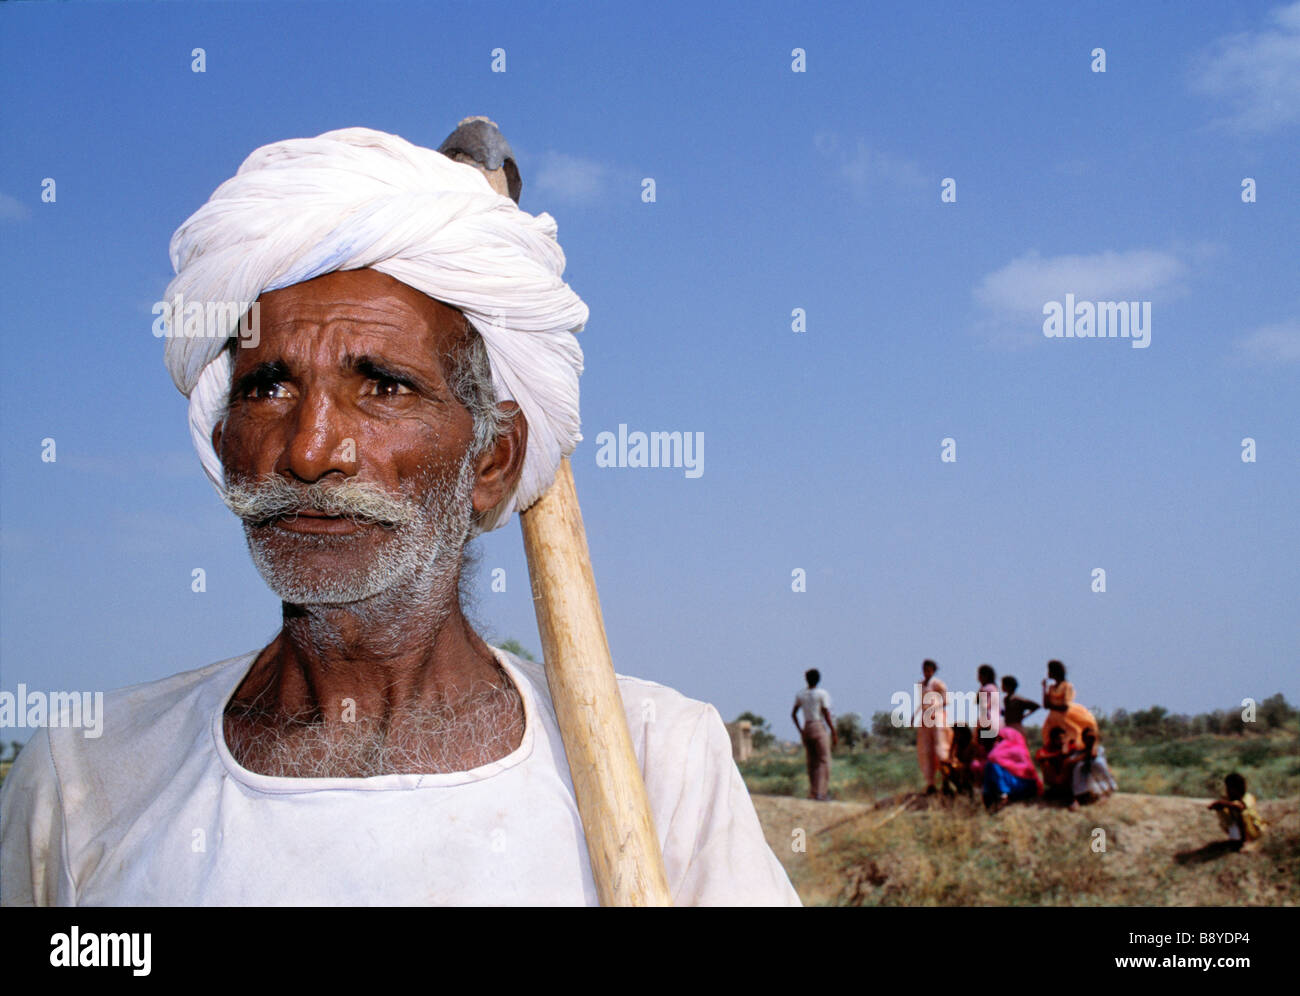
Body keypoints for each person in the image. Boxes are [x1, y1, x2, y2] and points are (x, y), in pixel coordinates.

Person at [0, 126, 800, 907]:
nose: (311, 451)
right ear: (222, 444)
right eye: (268, 387)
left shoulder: (663, 765)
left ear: (493, 463)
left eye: (384, 386)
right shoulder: (85, 786)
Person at [792, 669, 837, 801]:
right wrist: (833, 731)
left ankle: (813, 792)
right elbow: (826, 713)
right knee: (823, 760)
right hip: (818, 725)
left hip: (807, 726)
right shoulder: (822, 694)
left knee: (811, 761)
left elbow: (793, 713)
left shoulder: (801, 694)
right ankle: (821, 792)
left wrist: (801, 730)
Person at [914, 659, 953, 794]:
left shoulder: (938, 683)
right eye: (925, 669)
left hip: (936, 716)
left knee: (940, 748)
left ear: (933, 670)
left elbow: (945, 701)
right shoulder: (921, 684)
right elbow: (921, 702)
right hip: (925, 718)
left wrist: (933, 708)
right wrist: (915, 715)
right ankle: (930, 783)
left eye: (929, 669)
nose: (926, 672)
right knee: (926, 749)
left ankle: (945, 780)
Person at [1040, 659, 1097, 747]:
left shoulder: (1067, 686)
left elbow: (1065, 706)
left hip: (1064, 717)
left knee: (1071, 738)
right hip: (1053, 719)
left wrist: (1051, 706)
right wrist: (1044, 688)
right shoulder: (1051, 687)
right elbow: (1045, 705)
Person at [982, 727, 1041, 811]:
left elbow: (992, 756)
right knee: (992, 766)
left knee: (994, 766)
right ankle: (997, 795)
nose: (998, 742)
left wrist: (1009, 766)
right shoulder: (1016, 749)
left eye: (1001, 739)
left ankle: (1001, 795)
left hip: (1024, 785)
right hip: (1015, 785)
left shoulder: (1016, 750)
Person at [1208, 773, 1267, 852]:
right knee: (1222, 810)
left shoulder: (1248, 797)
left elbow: (1240, 807)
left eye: (1230, 788)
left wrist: (1224, 804)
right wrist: (1219, 806)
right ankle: (1235, 840)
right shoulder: (1228, 799)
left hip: (1254, 831)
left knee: (1242, 813)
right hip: (1239, 831)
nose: (1227, 790)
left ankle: (1246, 841)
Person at [1068, 727, 1118, 808]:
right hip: (1085, 783)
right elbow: (1070, 761)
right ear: (1083, 739)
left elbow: (1093, 754)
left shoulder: (1099, 750)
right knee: (1078, 766)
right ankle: (1077, 798)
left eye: (1092, 738)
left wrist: (1095, 742)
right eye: (1087, 738)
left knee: (1097, 762)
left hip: (1098, 781)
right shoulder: (1080, 751)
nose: (1089, 740)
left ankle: (1108, 790)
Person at [1035, 726, 1078, 804]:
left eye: (1064, 738)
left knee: (1068, 762)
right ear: (1053, 740)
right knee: (1045, 763)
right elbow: (1039, 756)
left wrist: (1067, 753)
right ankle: (1057, 787)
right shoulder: (1049, 747)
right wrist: (1058, 754)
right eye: (1059, 738)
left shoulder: (1070, 746)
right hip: (1055, 778)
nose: (1062, 740)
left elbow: (1076, 753)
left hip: (1069, 779)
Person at [976, 664, 1001, 743]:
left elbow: (981, 703)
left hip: (987, 720)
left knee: (983, 744)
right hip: (997, 721)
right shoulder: (994, 688)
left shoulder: (985, 689)